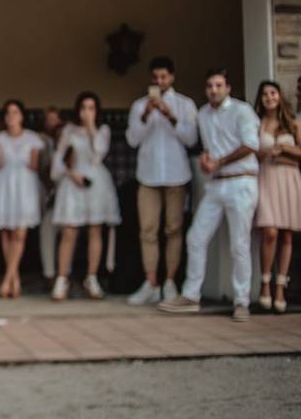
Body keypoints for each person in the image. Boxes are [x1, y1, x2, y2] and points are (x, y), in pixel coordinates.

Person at [159, 68, 260, 322]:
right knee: (195, 237)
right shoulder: (203, 114)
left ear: (227, 88)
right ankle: (191, 295)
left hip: (241, 181)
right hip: (215, 184)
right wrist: (207, 161)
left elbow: (250, 145)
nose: (213, 90)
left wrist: (220, 161)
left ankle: (241, 301)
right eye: (209, 86)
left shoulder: (242, 110)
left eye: (218, 85)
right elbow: (208, 147)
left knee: (239, 244)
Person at [125, 56, 198, 306]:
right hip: (148, 176)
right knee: (148, 230)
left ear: (172, 77)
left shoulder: (185, 104)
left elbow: (191, 139)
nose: (159, 81)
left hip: (177, 174)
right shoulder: (138, 106)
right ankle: (151, 282)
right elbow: (132, 140)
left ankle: (170, 281)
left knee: (174, 229)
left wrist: (170, 116)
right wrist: (146, 115)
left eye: (164, 77)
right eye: (155, 77)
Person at [51, 91, 120, 301]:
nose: (87, 112)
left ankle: (92, 278)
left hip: (96, 183)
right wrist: (71, 174)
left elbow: (98, 153)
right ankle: (62, 278)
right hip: (73, 181)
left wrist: (91, 129)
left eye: (91, 108)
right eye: (83, 108)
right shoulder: (69, 131)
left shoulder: (103, 130)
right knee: (69, 231)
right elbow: (58, 160)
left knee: (95, 229)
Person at [0, 100, 44, 298]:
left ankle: (8, 278)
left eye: (15, 112)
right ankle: (14, 278)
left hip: (24, 186)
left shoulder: (32, 138)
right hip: (4, 184)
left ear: (22, 116)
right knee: (6, 233)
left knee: (20, 232)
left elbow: (35, 166)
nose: (11, 117)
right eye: (8, 113)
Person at [252, 81, 301, 313]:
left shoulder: (292, 123)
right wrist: (265, 153)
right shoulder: (257, 123)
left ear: (280, 96)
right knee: (269, 231)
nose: (268, 97)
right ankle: (264, 284)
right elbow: (252, 152)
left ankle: (281, 286)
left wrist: (284, 150)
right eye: (264, 94)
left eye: (272, 93)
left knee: (286, 234)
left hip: (289, 178)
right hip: (266, 177)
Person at [38, 107, 64, 284]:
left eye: (55, 120)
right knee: (47, 228)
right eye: (49, 120)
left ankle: (65, 273)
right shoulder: (42, 142)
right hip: (52, 199)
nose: (53, 124)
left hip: (74, 203)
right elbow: (44, 173)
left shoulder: (71, 149)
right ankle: (49, 274)